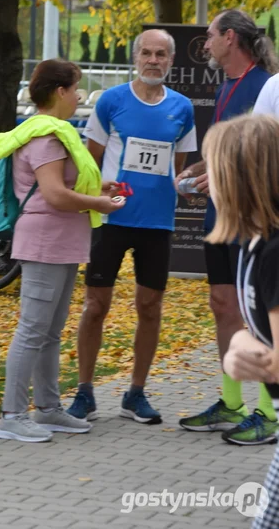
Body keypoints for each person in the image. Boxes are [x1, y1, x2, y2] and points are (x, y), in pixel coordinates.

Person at [67, 29, 197, 425]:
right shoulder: (111, 101)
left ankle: (136, 393)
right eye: (146, 53)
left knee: (150, 307)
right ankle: (85, 392)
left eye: (161, 54)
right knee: (95, 306)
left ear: (171, 61)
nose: (153, 60)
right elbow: (91, 164)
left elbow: (179, 168)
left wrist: (181, 189)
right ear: (135, 57)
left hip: (157, 222)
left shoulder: (183, 107)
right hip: (112, 217)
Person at [0, 59, 121, 443]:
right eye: (75, 88)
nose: (79, 96)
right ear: (60, 92)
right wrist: (96, 204)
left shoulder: (54, 133)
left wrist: (98, 191)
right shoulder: (46, 137)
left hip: (63, 242)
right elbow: (53, 194)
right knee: (33, 330)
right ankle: (12, 415)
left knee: (50, 332)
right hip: (46, 241)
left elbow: (64, 188)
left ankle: (48, 409)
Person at [177, 9, 279, 445]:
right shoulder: (225, 87)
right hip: (219, 213)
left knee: (258, 311)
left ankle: (268, 410)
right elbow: (223, 149)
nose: (206, 44)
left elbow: (257, 156)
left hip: (251, 215)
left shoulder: (266, 85)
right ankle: (231, 401)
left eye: (211, 36)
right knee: (223, 303)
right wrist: (193, 174)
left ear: (231, 38)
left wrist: (218, 174)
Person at [203, 114, 279, 528]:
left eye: (213, 170)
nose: (207, 182)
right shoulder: (254, 244)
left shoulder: (273, 252)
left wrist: (240, 349)